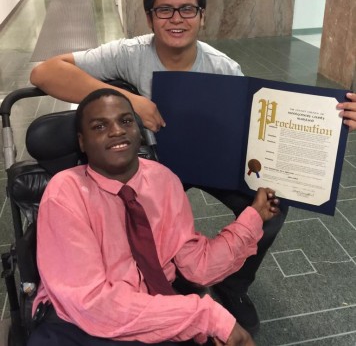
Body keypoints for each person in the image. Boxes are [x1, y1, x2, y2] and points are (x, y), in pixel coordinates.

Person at [30, 0, 356, 335]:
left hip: (216, 161)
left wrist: (329, 121)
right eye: (164, 10)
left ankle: (232, 287)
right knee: (133, 218)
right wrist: (131, 101)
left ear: (202, 15)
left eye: (187, 9)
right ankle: (142, 282)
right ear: (150, 17)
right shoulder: (129, 53)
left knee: (273, 209)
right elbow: (45, 72)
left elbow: (261, 128)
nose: (176, 19)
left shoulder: (223, 67)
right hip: (155, 169)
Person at [27, 88, 280, 346]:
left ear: (138, 130)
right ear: (82, 141)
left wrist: (253, 217)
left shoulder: (164, 180)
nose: (116, 131)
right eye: (100, 126)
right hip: (80, 324)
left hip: (152, 309)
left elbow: (195, 265)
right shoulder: (65, 192)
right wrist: (205, 315)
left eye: (125, 121)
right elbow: (91, 304)